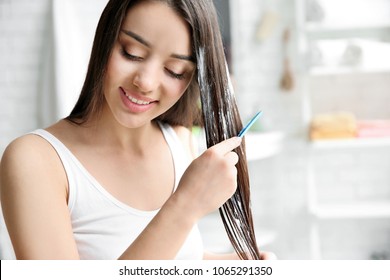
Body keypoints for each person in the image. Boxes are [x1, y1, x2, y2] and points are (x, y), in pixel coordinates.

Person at [0, 0, 275, 260]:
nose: (145, 82)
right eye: (132, 53)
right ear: (105, 39)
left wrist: (237, 263)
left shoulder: (178, 141)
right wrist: (185, 205)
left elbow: (175, 258)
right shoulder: (35, 161)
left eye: (175, 70)